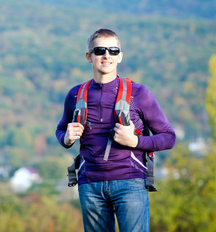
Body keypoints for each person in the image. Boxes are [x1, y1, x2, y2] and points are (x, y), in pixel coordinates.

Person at [56, 28, 176, 232]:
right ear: (89, 56)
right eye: (100, 50)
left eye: (112, 51)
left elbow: (169, 138)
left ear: (119, 56)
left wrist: (136, 142)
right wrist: (66, 138)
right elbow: (60, 130)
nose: (106, 55)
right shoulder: (75, 94)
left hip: (130, 183)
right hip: (90, 184)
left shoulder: (139, 93)